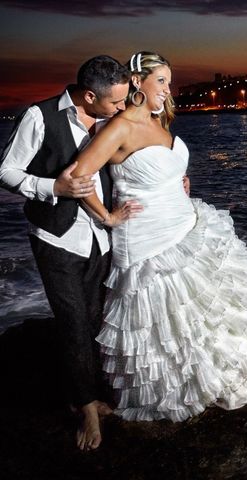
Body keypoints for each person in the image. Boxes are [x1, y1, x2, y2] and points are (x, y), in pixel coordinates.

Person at [72, 51, 247, 422]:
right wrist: (107, 216)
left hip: (184, 222)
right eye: (162, 81)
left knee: (207, 306)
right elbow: (79, 176)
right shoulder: (118, 128)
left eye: (170, 81)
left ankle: (218, 365)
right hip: (146, 236)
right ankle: (176, 387)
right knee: (163, 317)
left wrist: (177, 179)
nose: (169, 89)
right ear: (137, 82)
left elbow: (158, 167)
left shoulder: (159, 121)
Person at [0, 56, 139, 450]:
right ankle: (86, 408)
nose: (121, 109)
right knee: (74, 320)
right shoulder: (39, 116)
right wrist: (52, 188)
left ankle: (88, 392)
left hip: (101, 235)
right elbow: (5, 171)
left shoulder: (113, 117)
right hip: (55, 236)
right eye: (115, 103)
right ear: (89, 95)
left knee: (96, 316)